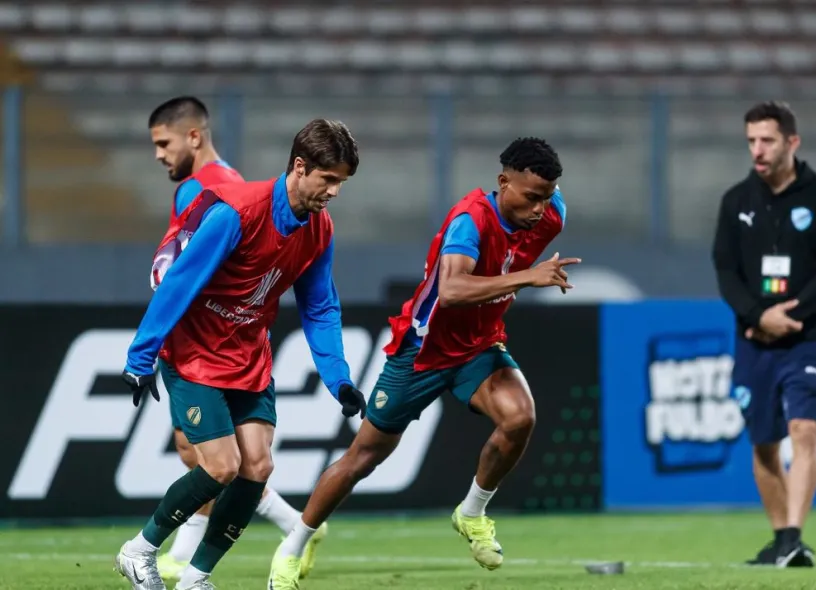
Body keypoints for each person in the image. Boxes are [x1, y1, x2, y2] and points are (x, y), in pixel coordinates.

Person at [267, 137, 576, 588]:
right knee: (363, 457)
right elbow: (451, 291)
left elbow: (545, 197)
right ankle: (292, 547)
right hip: (423, 349)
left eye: (546, 197)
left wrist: (543, 213)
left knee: (520, 416)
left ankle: (471, 513)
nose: (538, 209)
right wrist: (529, 277)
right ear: (502, 182)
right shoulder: (470, 221)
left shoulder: (551, 212)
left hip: (480, 346)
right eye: (530, 197)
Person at [114, 119, 368, 590]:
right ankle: (139, 550)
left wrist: (338, 379)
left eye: (341, 182)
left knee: (257, 466)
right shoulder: (238, 212)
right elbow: (180, 282)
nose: (334, 191)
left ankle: (195, 578)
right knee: (220, 465)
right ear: (299, 167)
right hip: (194, 356)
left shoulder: (319, 229)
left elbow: (320, 305)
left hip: (249, 358)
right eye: (329, 179)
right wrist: (140, 356)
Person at [146, 96, 329, 583]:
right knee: (212, 456)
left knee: (216, 458)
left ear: (194, 136)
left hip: (213, 346)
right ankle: (194, 554)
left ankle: (176, 553)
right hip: (209, 342)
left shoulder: (219, 191)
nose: (159, 155)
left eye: (164, 143)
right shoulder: (206, 185)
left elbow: (188, 270)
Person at [711, 101, 816, 568]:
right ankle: (781, 539)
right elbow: (726, 270)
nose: (758, 149)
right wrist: (757, 315)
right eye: (751, 140)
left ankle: (793, 536)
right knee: (765, 442)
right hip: (754, 337)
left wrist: (792, 315)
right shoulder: (736, 202)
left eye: (767, 140)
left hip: (808, 336)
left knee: (804, 429)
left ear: (792, 142)